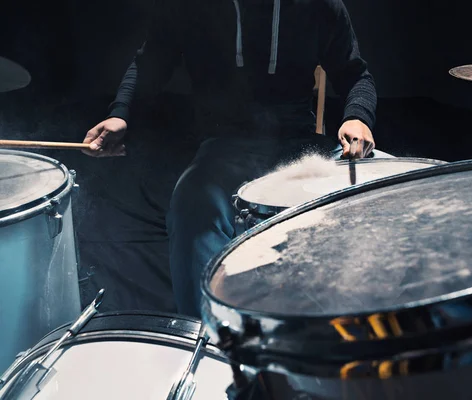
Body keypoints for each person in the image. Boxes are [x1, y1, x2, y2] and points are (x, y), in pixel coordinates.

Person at [82, 0, 383, 317]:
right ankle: (211, 339)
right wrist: (121, 114)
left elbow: (356, 75)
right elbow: (149, 64)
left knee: (383, 183)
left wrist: (357, 118)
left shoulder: (320, 5)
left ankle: (354, 332)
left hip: (300, 144)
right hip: (225, 145)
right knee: (192, 211)